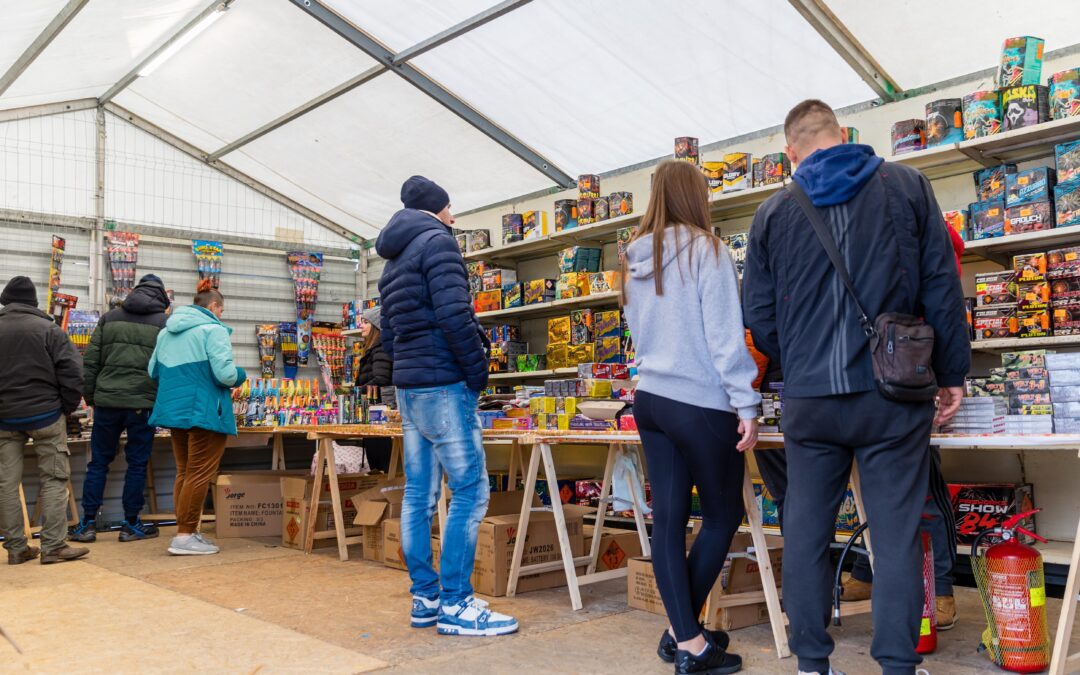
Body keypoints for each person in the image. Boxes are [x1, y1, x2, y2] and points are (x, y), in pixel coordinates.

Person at [742, 99, 969, 675]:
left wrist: (801, 357)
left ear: (791, 152)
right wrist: (951, 374)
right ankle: (897, 665)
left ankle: (812, 663)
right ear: (844, 136)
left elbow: (759, 315)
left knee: (806, 530)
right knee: (894, 535)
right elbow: (942, 285)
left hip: (811, 401)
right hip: (892, 398)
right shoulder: (908, 186)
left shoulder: (773, 212)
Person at [622, 160, 761, 675]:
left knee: (669, 523)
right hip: (699, 401)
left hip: (651, 399)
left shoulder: (635, 258)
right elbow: (725, 337)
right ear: (696, 197)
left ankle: (683, 635)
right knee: (724, 515)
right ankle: (690, 644)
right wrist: (746, 402)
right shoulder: (708, 250)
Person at [376, 175, 516, 637]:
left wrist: (404, 379)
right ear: (439, 210)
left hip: (411, 387)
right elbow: (457, 315)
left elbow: (390, 334)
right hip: (443, 384)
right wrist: (476, 374)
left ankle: (426, 598)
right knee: (471, 492)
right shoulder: (438, 244)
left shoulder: (392, 261)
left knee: (419, 494)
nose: (455, 219)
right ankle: (458, 604)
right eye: (451, 209)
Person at [843, 224, 968, 628]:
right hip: (863, 375)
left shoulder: (931, 229)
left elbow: (943, 299)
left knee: (922, 487)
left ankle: (943, 587)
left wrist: (949, 373)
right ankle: (868, 571)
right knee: (869, 487)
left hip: (911, 371)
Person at [148, 279, 246, 556]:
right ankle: (184, 535)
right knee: (200, 473)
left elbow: (152, 370)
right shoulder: (213, 330)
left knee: (185, 472)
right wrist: (241, 375)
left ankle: (187, 530)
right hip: (205, 410)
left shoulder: (166, 333)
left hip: (175, 410)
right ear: (214, 306)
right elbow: (225, 375)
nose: (221, 316)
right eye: (222, 311)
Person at [71, 274, 169, 543]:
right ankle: (131, 524)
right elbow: (167, 367)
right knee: (137, 464)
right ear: (161, 297)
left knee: (98, 462)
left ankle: (88, 524)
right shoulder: (163, 323)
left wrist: (92, 398)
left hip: (107, 401)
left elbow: (90, 362)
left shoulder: (109, 318)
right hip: (142, 404)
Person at [0, 276, 89, 565]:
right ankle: (52, 547)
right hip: (46, 416)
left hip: (4, 420)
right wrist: (65, 406)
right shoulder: (50, 330)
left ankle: (15, 548)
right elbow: (74, 374)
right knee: (54, 478)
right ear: (34, 303)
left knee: (6, 483)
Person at [355, 305, 393, 472]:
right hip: (374, 411)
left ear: (376, 326)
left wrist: (357, 392)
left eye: (365, 322)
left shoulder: (381, 348)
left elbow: (381, 379)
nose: (361, 326)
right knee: (377, 464)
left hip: (380, 412)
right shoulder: (374, 349)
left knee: (381, 464)